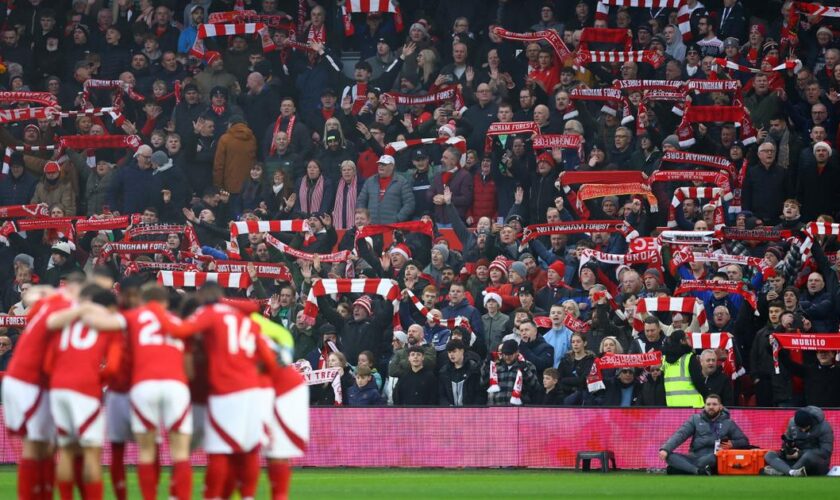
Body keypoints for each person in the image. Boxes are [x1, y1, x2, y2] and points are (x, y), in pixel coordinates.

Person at [659, 394, 749, 475]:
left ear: (721, 407)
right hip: (693, 457)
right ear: (704, 406)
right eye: (708, 404)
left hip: (713, 457)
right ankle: (698, 471)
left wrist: (733, 444)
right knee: (669, 456)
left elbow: (744, 441)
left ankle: (686, 469)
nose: (711, 407)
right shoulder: (695, 419)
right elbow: (680, 434)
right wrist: (666, 449)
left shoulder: (729, 423)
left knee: (714, 458)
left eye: (714, 404)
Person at [764, 406, 834, 476]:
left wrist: (799, 454)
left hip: (815, 461)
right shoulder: (792, 423)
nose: (803, 430)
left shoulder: (824, 427)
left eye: (805, 427)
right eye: (800, 428)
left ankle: (783, 472)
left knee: (808, 456)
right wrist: (788, 449)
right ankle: (791, 472)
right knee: (769, 455)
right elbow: (786, 442)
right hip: (795, 459)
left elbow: (826, 452)